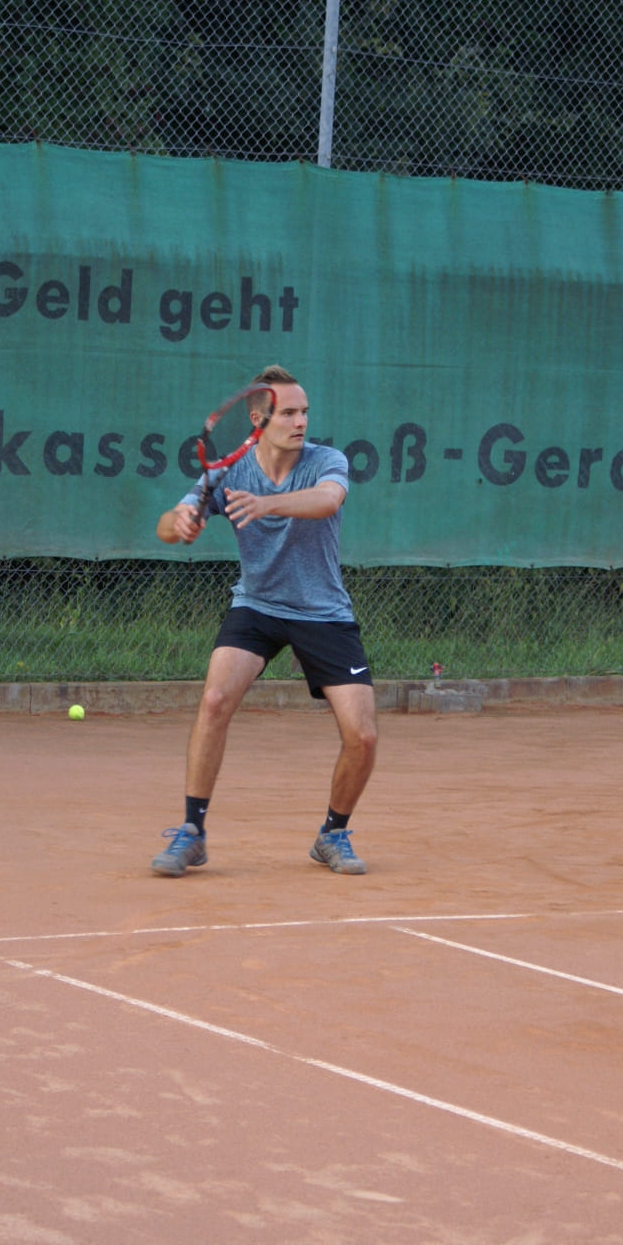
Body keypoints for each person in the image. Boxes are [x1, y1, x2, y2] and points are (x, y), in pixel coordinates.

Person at [152, 365, 378, 877]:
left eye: (305, 412)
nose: (301, 422)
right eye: (289, 413)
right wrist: (181, 523)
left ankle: (332, 834)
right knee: (214, 699)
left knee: (362, 735)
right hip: (256, 605)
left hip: (323, 612)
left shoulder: (327, 460)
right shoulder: (226, 473)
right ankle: (192, 832)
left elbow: (328, 501)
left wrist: (268, 504)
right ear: (259, 419)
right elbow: (165, 525)